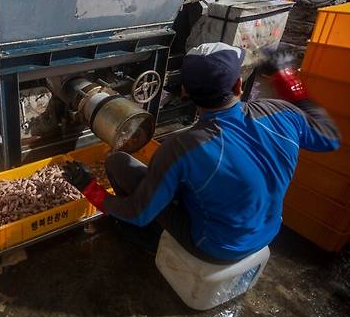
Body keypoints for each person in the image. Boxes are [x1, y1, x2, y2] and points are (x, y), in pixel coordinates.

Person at [64, 42, 340, 264]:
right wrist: (287, 75)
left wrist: (88, 187)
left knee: (118, 162)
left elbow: (138, 212)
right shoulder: (284, 113)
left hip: (215, 248)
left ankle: (145, 239)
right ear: (238, 86)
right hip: (268, 233)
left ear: (185, 92)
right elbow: (330, 139)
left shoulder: (183, 148)